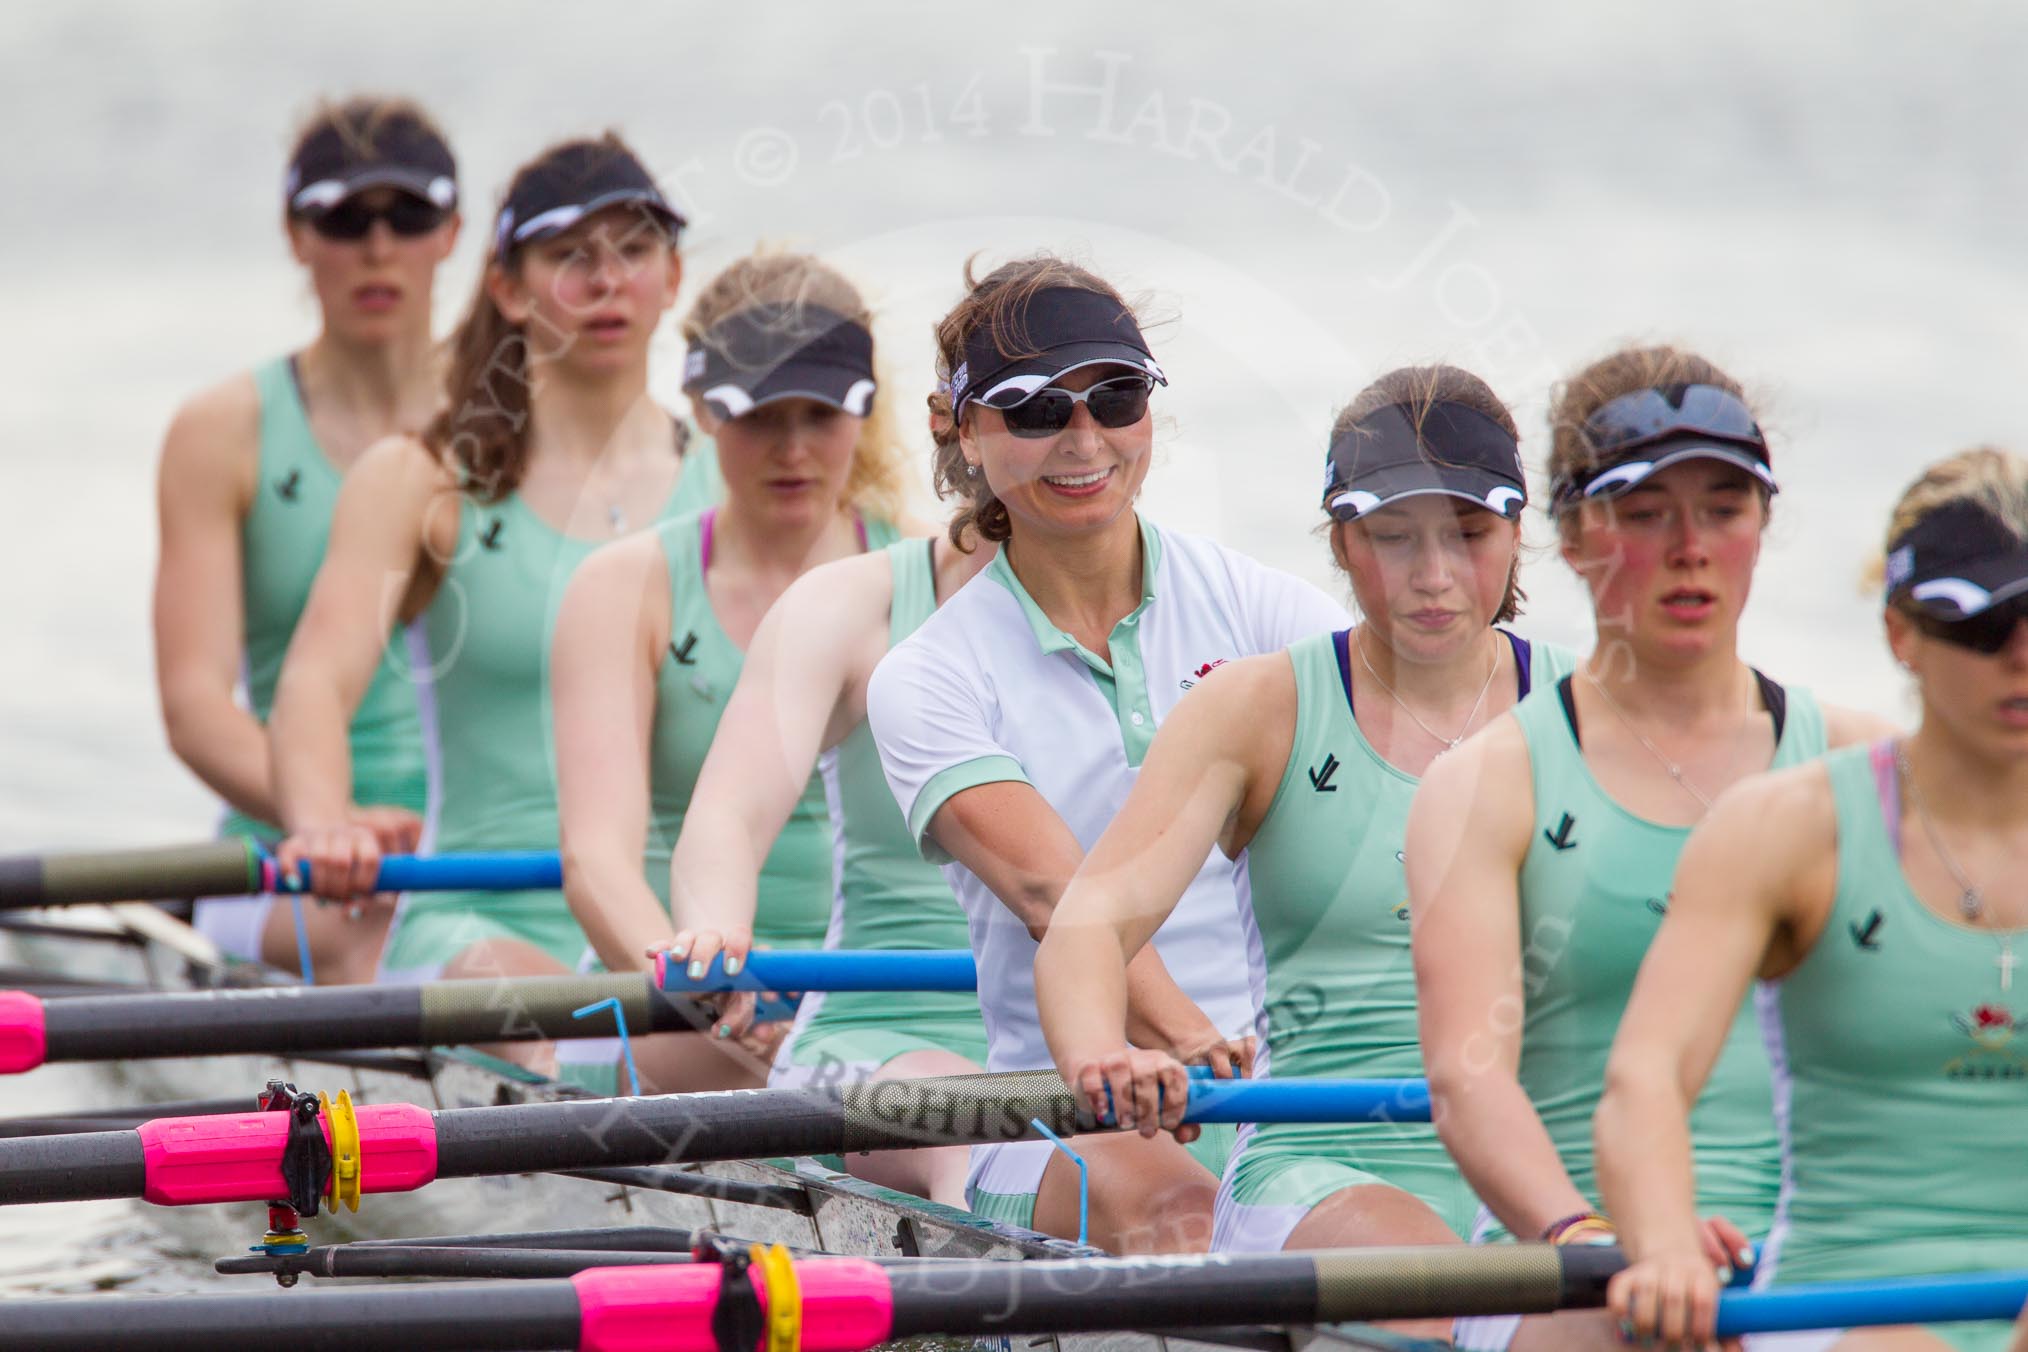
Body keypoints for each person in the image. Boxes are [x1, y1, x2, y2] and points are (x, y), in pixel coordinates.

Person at [1036, 365, 1572, 1332]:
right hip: (1325, 1166)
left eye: (1468, 534)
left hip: (1552, 1174)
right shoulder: (1258, 708)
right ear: (1340, 540)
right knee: (1455, 1306)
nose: (1435, 574)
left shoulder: (1594, 717)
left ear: (1518, 530)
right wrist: (1099, 1055)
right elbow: (1085, 927)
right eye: (1392, 537)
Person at [1404, 346, 1891, 1350]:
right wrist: (1609, 1237)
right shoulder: (1487, 784)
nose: (1690, 546)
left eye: (1723, 506)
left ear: (1762, 526)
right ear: (1574, 536)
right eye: (1643, 510)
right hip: (1568, 1256)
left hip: (1810, 1257)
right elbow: (1467, 1077)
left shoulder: (1868, 765)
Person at [867, 255, 1350, 1252]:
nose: (1084, 440)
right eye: (1035, 410)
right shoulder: (930, 676)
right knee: (1186, 1215)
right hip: (1060, 1107)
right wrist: (1191, 1041)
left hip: (1281, 1096)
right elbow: (1061, 897)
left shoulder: (1270, 611)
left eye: (1116, 397)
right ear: (964, 432)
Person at [271, 135, 718, 1043]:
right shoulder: (424, 479)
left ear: (672, 277)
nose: (606, 280)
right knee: (549, 1015)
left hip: (681, 937)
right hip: (482, 925)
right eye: (569, 255)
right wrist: (324, 826)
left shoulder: (739, 484)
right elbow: (315, 683)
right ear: (509, 288)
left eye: (634, 249)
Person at [1599, 447, 2028, 1352]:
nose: (2021, 654)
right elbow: (1646, 1078)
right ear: (1901, 633)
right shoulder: (1786, 831)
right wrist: (1667, 1246)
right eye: (1986, 623)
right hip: (1841, 1315)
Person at [552, 251, 926, 1096]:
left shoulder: (932, 571)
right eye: (761, 417)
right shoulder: (625, 587)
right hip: (670, 994)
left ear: (864, 409)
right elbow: (596, 860)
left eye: (821, 414)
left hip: (881, 1004)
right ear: (701, 408)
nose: (793, 449)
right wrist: (709, 989)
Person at [154, 96, 460, 985]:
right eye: (341, 217)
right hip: (288, 861)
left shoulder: (515, 425)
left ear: (452, 233)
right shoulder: (222, 432)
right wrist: (333, 817)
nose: (376, 247)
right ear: (296, 235)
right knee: (383, 933)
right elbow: (194, 706)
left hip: (482, 853)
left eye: (407, 216)